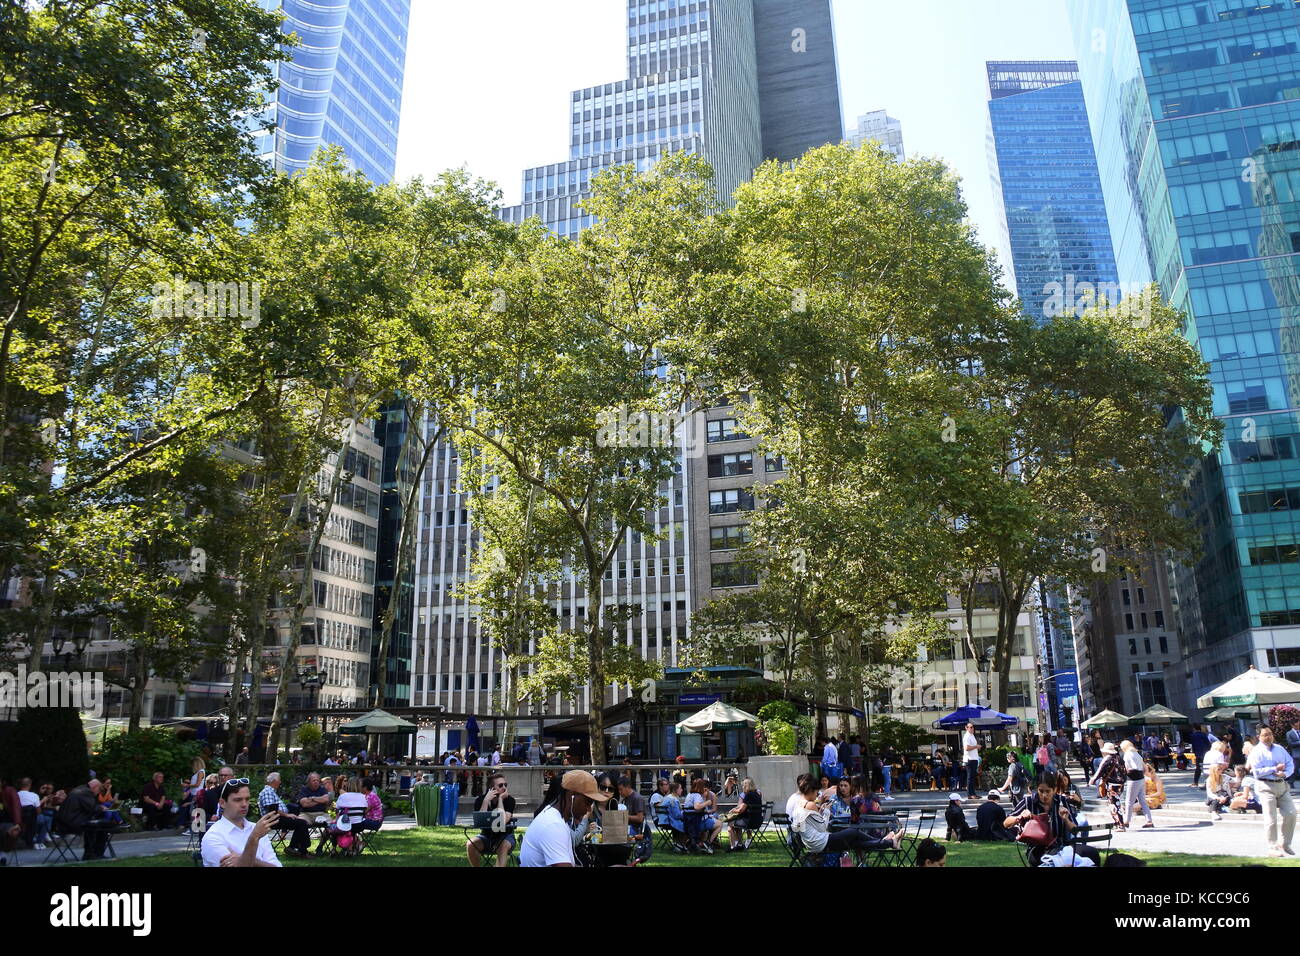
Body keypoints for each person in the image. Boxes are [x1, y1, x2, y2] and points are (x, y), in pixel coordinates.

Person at [790, 776, 903, 864]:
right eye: (816, 791)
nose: (817, 794)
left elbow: (804, 827)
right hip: (820, 842)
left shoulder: (798, 804)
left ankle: (888, 842)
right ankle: (887, 841)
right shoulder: (810, 805)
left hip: (811, 843)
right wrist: (826, 812)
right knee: (853, 832)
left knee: (855, 843)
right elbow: (823, 828)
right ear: (810, 790)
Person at [520, 770, 611, 867]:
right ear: (572, 796)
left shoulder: (555, 817)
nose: (589, 809)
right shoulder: (553, 825)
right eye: (588, 802)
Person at [1004, 776, 1095, 867]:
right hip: (1037, 850)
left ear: (1054, 789)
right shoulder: (1028, 801)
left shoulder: (1061, 801)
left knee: (1092, 853)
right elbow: (1006, 823)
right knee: (1055, 860)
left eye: (1048, 791)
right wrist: (1019, 817)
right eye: (1041, 791)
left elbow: (1074, 830)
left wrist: (1065, 819)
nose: (1044, 795)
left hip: (1062, 847)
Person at [201, 777, 280, 866]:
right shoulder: (213, 836)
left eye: (247, 799)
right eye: (237, 800)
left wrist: (243, 858)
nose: (244, 804)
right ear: (222, 803)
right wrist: (253, 839)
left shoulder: (256, 828)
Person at [1245, 725, 1295, 856]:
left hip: (1282, 785)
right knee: (1270, 818)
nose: (1269, 737)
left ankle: (1285, 843)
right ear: (1259, 737)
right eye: (1265, 735)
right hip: (1265, 787)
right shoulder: (1256, 751)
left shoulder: (1279, 749)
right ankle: (1272, 847)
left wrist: (1285, 774)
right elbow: (1256, 773)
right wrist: (1274, 769)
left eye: (1270, 734)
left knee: (1291, 813)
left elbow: (1290, 764)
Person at [58, 779, 117, 860]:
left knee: (95, 825)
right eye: (99, 789)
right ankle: (95, 854)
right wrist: (102, 808)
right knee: (103, 826)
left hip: (65, 823)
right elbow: (92, 807)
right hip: (72, 823)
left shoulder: (80, 789)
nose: (99, 792)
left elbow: (87, 807)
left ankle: (90, 854)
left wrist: (98, 807)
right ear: (95, 787)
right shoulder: (86, 792)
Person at [466, 772, 516, 867]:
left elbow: (503, 821)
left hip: (505, 836)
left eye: (505, 785)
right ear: (491, 788)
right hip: (486, 836)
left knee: (503, 846)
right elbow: (480, 821)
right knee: (470, 844)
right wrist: (486, 801)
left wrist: (500, 799)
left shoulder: (510, 800)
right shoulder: (480, 800)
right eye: (500, 785)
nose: (504, 788)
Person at [257, 772, 311, 857]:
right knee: (302, 823)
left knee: (299, 820)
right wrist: (287, 815)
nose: (280, 782)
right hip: (273, 820)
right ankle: (299, 850)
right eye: (279, 780)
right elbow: (272, 809)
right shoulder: (267, 792)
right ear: (274, 781)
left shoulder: (272, 791)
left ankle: (297, 848)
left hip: (278, 818)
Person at [1119, 740, 1155, 830]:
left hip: (1133, 779)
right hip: (1141, 778)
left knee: (1129, 801)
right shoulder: (1137, 754)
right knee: (1142, 800)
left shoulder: (1127, 755)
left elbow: (1131, 767)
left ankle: (1126, 821)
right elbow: (1145, 767)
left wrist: (1124, 773)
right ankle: (1149, 820)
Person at [618, 776, 651, 862]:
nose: (620, 792)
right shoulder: (625, 799)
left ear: (628, 787)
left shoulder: (637, 798)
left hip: (636, 829)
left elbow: (640, 818)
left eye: (621, 789)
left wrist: (623, 816)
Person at [726, 777, 763, 851]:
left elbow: (741, 810)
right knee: (736, 823)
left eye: (743, 785)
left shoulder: (748, 795)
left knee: (730, 824)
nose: (742, 787)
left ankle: (734, 846)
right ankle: (739, 844)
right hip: (758, 821)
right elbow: (743, 806)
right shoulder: (757, 794)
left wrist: (732, 812)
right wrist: (736, 809)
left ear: (746, 786)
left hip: (749, 822)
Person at [686, 778, 722, 851]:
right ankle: (708, 843)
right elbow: (697, 807)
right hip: (697, 822)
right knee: (720, 824)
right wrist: (707, 802)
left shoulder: (689, 795)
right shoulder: (697, 796)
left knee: (711, 819)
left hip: (689, 822)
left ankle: (701, 843)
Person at [0, 775, 21, 864]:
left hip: (8, 822)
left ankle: (3, 853)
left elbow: (16, 807)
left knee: (13, 832)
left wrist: (17, 823)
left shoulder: (10, 791)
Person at [962, 722, 981, 798]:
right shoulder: (967, 736)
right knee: (970, 777)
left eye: (973, 727)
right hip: (969, 759)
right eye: (970, 727)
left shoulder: (972, 735)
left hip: (974, 758)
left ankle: (973, 793)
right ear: (966, 728)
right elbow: (966, 748)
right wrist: (976, 746)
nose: (972, 728)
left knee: (973, 777)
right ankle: (970, 794)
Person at [1288, 719, 1300, 792]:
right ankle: (1291, 782)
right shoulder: (1289, 733)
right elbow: (1291, 743)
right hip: (1296, 754)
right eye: (1297, 723)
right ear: (1293, 725)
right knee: (1294, 769)